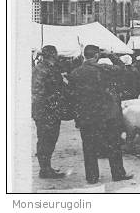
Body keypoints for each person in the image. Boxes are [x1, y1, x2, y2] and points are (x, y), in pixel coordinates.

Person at [68, 45, 132, 184]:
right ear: (97, 55)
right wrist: (110, 55)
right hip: (106, 116)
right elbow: (122, 68)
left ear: (85, 55)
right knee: (113, 145)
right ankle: (118, 173)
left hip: (86, 116)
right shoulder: (103, 69)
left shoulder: (75, 73)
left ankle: (92, 177)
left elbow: (72, 97)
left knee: (89, 147)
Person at [31, 45, 67, 179]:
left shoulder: (49, 68)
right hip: (45, 111)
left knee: (50, 139)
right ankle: (45, 169)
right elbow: (37, 92)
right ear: (52, 54)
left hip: (50, 111)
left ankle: (47, 167)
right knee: (45, 139)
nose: (57, 56)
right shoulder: (41, 70)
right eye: (55, 54)